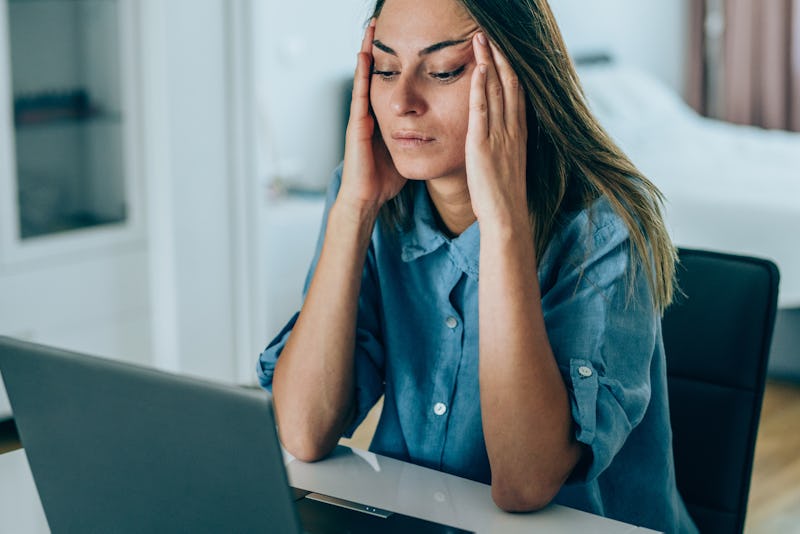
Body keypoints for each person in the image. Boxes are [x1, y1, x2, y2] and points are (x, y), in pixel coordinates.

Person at [258, 0, 697, 531]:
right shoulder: (367, 197)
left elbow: (524, 484)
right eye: (386, 68)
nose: (402, 102)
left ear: (521, 78)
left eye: (443, 71)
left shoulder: (603, 230)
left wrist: (503, 223)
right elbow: (302, 431)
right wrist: (353, 209)